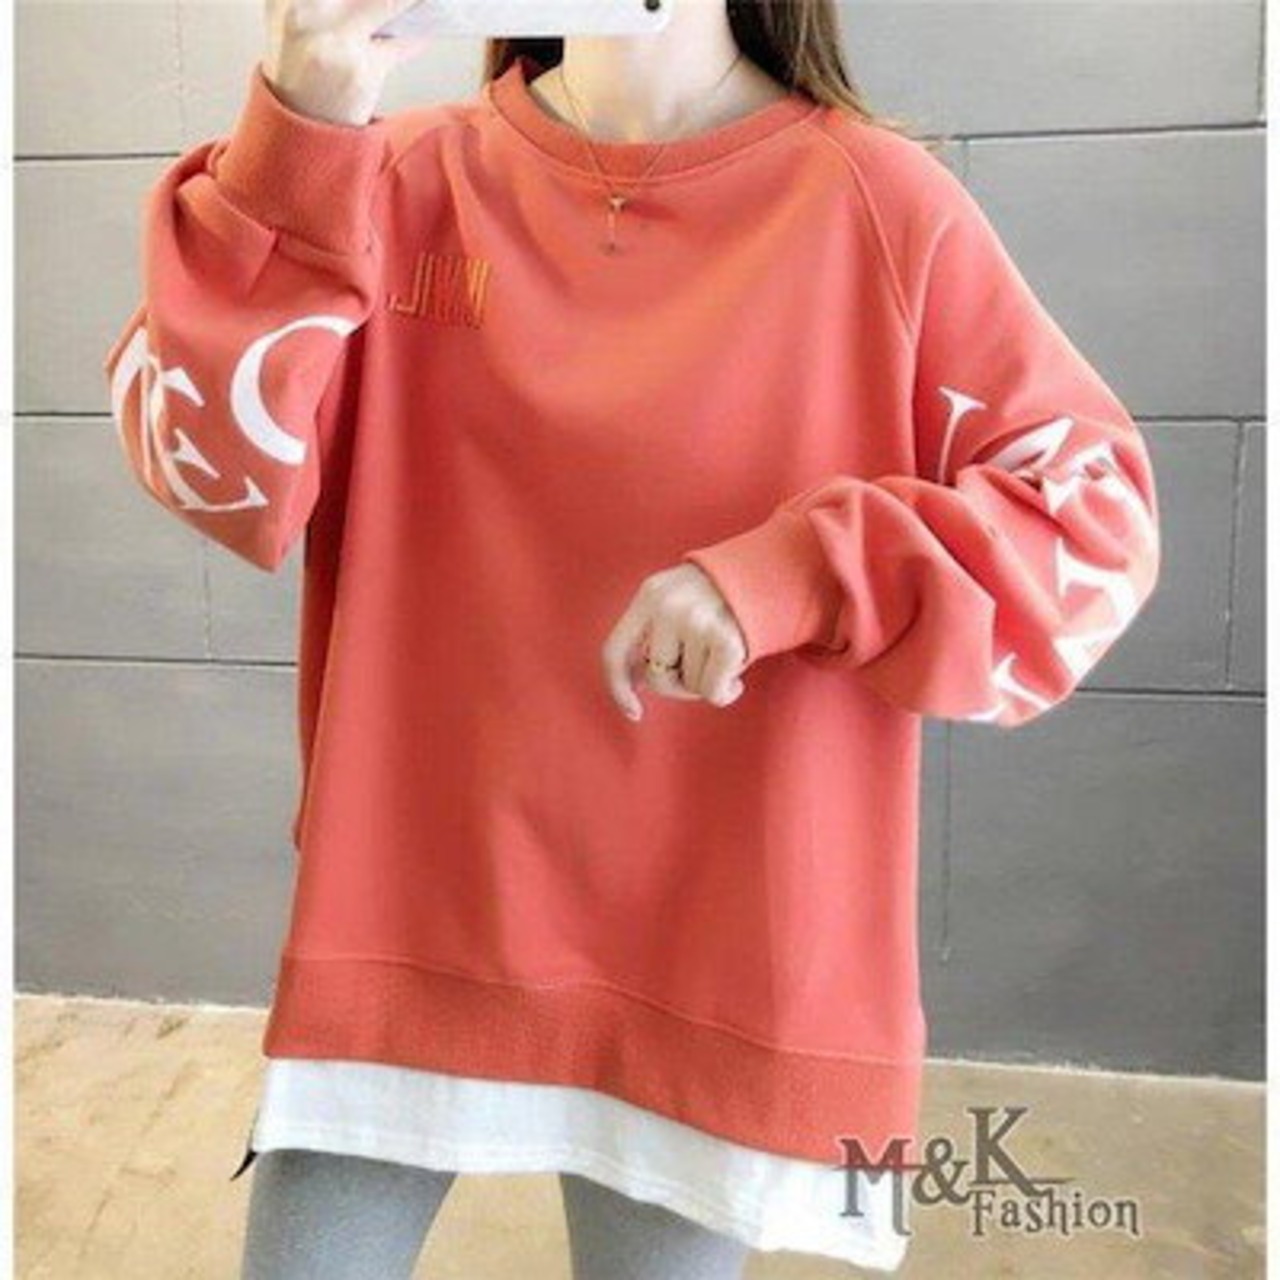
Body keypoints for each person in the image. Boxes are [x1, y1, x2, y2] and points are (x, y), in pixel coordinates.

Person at [101, 0, 1163, 1275]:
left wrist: (798, 573)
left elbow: (1091, 526)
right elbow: (213, 469)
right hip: (413, 909)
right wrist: (298, 126)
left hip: (711, 945)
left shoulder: (876, 204)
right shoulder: (393, 177)